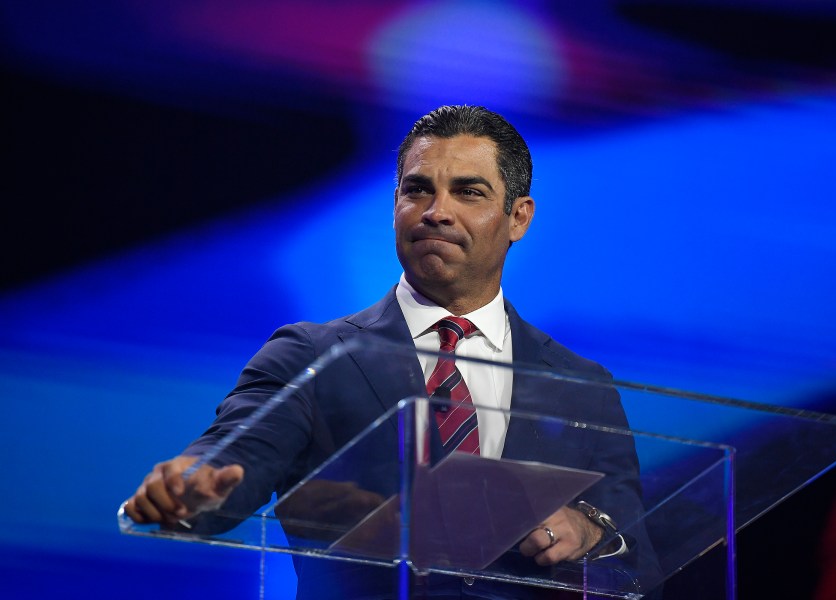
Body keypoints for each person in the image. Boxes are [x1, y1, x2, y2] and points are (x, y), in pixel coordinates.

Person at [124, 105, 650, 598]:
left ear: (518, 217)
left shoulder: (583, 388)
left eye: (468, 192)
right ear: (395, 204)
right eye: (418, 190)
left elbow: (641, 564)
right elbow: (234, 455)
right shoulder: (311, 355)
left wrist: (593, 533)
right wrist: (190, 484)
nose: (436, 212)